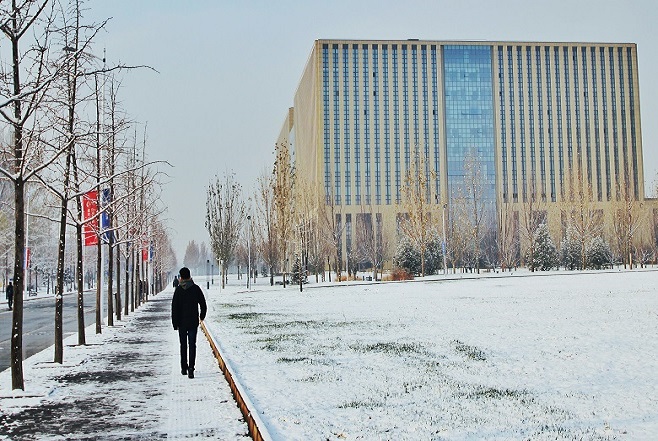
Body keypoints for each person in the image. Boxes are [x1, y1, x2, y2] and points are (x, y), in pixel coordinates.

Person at [171, 267, 207, 379]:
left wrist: (175, 323)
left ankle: (183, 367)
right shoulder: (195, 289)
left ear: (181, 277)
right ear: (190, 276)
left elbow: (174, 308)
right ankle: (191, 368)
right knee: (192, 344)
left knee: (183, 345)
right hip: (192, 322)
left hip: (181, 322)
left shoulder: (178, 290)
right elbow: (203, 304)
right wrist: (201, 316)